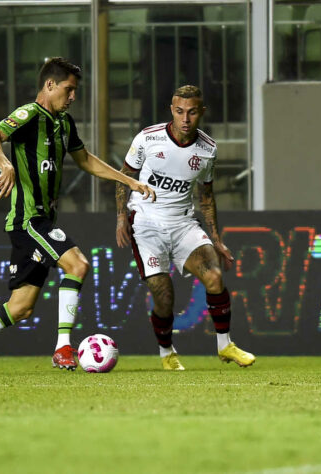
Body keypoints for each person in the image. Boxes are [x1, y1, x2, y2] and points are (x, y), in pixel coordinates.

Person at [0, 57, 156, 374]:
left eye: (75, 90)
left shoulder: (64, 123)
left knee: (20, 308)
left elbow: (86, 160)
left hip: (42, 221)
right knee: (78, 264)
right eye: (69, 89)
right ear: (50, 85)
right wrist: (5, 164)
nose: (73, 96)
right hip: (28, 219)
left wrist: (128, 180)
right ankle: (63, 347)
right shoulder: (29, 115)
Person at [115, 85, 255, 371]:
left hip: (183, 223)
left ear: (201, 112)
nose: (185, 119)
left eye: (192, 112)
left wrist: (216, 239)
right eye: (180, 112)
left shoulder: (207, 149)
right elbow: (123, 176)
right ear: (172, 110)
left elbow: (206, 196)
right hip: (145, 224)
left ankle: (225, 345)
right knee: (164, 296)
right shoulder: (147, 138)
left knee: (215, 277)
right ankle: (167, 352)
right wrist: (120, 217)